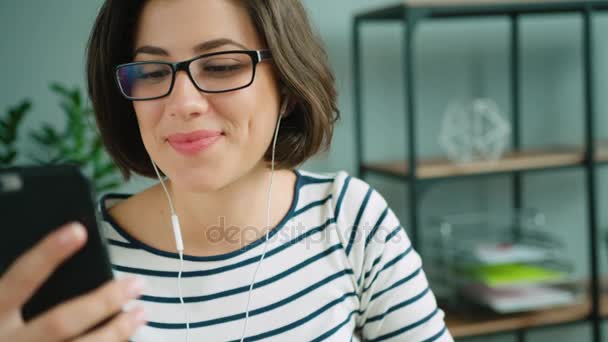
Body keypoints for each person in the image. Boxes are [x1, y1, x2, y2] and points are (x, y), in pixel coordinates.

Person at [0, 0, 453, 341]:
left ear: (289, 88)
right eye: (152, 72)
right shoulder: (79, 266)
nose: (182, 104)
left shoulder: (349, 220)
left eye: (220, 66)